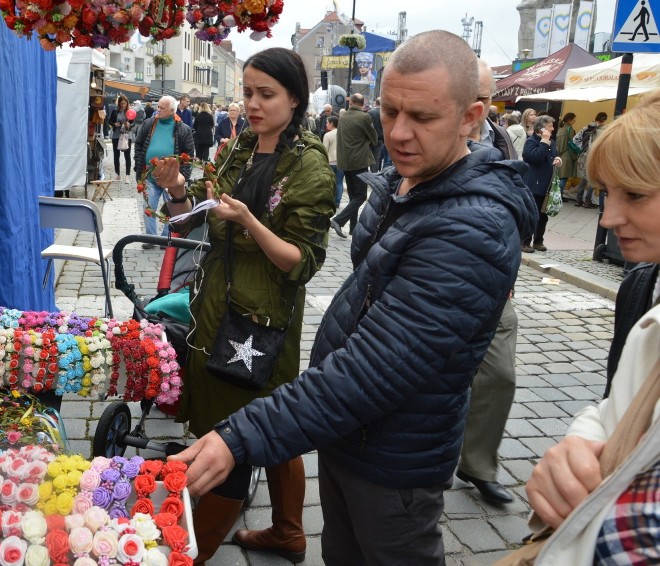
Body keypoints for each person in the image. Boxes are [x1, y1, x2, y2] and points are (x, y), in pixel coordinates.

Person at [169, 30, 535, 565]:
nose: (400, 133)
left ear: (470, 116)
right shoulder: (406, 183)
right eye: (389, 112)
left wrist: (241, 436)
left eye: (423, 117)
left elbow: (376, 366)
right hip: (351, 435)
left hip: (395, 455)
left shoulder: (470, 229)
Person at [151, 47, 336, 565]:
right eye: (248, 92)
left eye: (266, 94)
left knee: (260, 421)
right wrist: (178, 191)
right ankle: (286, 532)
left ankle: (199, 549)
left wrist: (250, 220)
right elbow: (202, 217)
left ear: (295, 99)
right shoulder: (239, 149)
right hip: (215, 304)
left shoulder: (311, 167)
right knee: (234, 412)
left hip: (262, 319)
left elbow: (301, 262)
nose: (253, 104)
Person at [525, 91, 660, 564]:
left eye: (636, 195)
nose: (608, 218)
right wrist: (581, 444)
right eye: (607, 194)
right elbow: (621, 404)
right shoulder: (643, 286)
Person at [455, 59, 521, 505]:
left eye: (483, 96)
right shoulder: (429, 136)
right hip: (436, 283)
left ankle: (478, 463)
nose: (476, 106)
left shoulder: (501, 144)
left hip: (493, 286)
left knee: (499, 374)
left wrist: (510, 271)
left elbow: (513, 213)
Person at [133, 95, 195, 249]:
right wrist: (138, 163)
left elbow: (189, 155)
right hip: (149, 175)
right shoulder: (149, 123)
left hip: (171, 178)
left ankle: (166, 238)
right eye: (158, 106)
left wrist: (184, 176)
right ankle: (151, 238)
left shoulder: (183, 128)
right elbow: (139, 144)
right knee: (149, 208)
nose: (158, 110)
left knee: (172, 210)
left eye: (162, 108)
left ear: (172, 110)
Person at [329, 92, 377, 239]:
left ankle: (353, 228)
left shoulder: (342, 117)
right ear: (362, 105)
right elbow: (374, 138)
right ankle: (338, 220)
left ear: (351, 103)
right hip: (359, 161)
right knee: (361, 196)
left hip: (345, 161)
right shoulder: (364, 117)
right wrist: (366, 142)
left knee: (353, 197)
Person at [521, 115, 562, 253]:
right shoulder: (531, 142)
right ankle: (525, 242)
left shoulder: (551, 142)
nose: (553, 129)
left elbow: (552, 155)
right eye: (550, 126)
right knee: (532, 214)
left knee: (543, 215)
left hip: (547, 185)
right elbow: (536, 158)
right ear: (542, 128)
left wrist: (557, 159)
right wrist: (544, 142)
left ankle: (538, 241)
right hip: (533, 184)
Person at [572, 112, 608, 208]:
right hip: (595, 156)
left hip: (584, 156)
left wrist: (583, 149)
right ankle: (587, 201)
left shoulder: (587, 127)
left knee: (584, 177)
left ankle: (578, 200)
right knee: (592, 178)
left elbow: (575, 139)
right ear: (604, 120)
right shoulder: (603, 130)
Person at [108, 95, 133, 182]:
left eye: (124, 103)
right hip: (116, 135)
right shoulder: (115, 112)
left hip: (126, 136)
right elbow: (109, 121)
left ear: (127, 103)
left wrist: (129, 125)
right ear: (119, 103)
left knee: (127, 155)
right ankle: (117, 174)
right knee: (116, 155)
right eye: (121, 103)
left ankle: (127, 175)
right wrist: (114, 124)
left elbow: (133, 123)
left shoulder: (130, 112)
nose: (123, 105)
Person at [323, 116, 344, 207]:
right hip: (341, 161)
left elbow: (324, 149)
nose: (326, 124)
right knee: (339, 182)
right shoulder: (344, 133)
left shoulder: (327, 135)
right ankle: (337, 202)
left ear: (332, 124)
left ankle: (329, 200)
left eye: (327, 122)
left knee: (329, 182)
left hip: (330, 161)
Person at [366, 97, 386, 172]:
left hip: (369, 139)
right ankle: (374, 174)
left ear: (376, 103)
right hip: (380, 139)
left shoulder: (370, 112)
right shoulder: (384, 113)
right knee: (376, 158)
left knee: (368, 157)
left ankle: (367, 173)